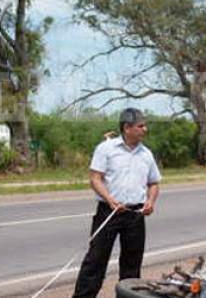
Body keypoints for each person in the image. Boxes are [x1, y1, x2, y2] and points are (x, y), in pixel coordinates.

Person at [72, 108, 161, 298]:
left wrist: (151, 201)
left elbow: (154, 182)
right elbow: (95, 178)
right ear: (127, 128)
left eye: (145, 125)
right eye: (140, 126)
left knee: (132, 263)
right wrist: (109, 199)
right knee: (95, 260)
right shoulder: (106, 149)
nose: (145, 129)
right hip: (109, 212)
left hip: (135, 215)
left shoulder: (146, 154)